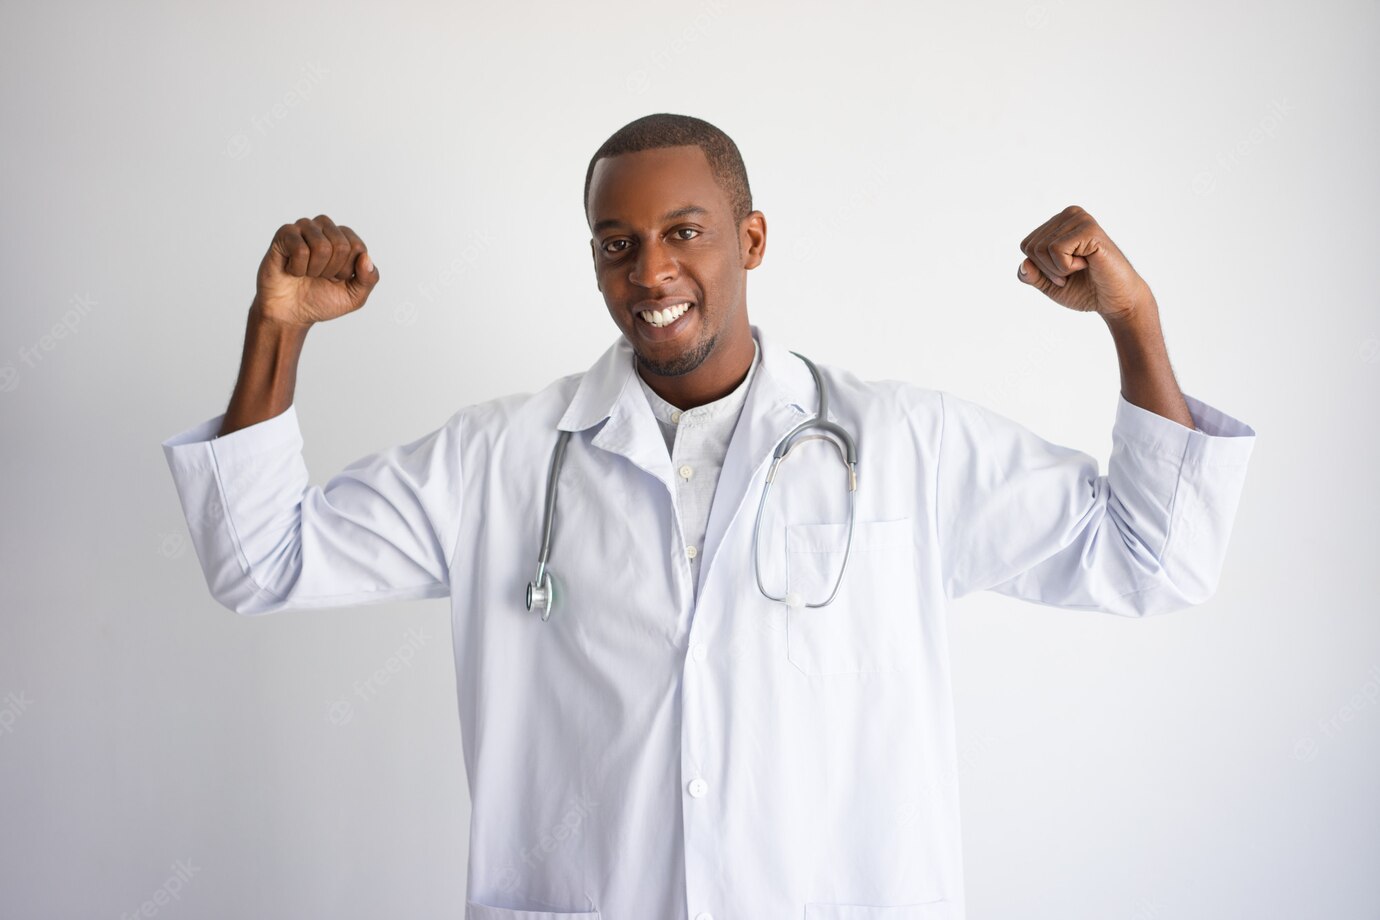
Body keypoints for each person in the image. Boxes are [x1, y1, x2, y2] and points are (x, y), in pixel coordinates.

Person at [161, 113, 1257, 919]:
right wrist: (280, 326)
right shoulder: (501, 458)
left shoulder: (906, 444)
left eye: (684, 231)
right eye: (616, 243)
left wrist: (1132, 317)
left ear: (753, 237)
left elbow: (1154, 557)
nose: (652, 270)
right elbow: (260, 559)